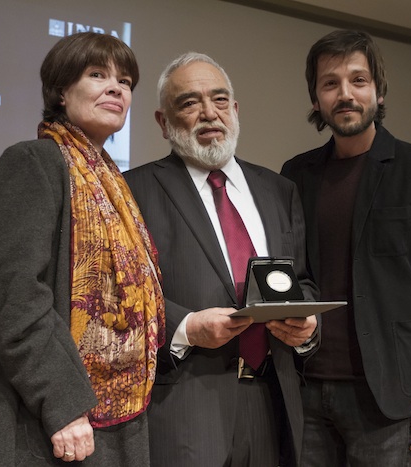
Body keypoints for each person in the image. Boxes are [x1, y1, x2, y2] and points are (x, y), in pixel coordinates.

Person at [0, 32, 165, 466]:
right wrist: (63, 404)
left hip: (116, 416)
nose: (117, 88)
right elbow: (16, 298)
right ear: (60, 91)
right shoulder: (33, 162)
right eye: (97, 75)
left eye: (125, 81)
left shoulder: (115, 187)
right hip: (48, 418)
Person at [280, 29, 411, 466]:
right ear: (316, 99)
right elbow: (294, 276)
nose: (345, 94)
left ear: (379, 91)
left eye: (358, 80)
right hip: (306, 391)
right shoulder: (296, 175)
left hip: (387, 401)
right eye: (330, 83)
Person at [124, 52, 319, 467]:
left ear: (235, 109)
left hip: (275, 405)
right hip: (184, 409)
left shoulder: (278, 190)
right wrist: (185, 328)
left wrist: (308, 327)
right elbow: (119, 300)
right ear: (163, 122)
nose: (209, 113)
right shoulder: (133, 192)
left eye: (220, 99)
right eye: (190, 102)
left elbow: (301, 279)